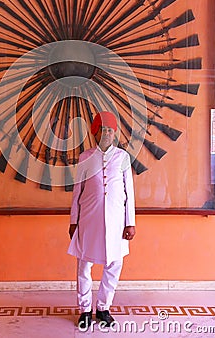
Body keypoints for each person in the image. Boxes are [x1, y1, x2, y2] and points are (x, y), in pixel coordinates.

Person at [67, 111, 136, 330]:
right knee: (84, 264)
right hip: (89, 219)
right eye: (103, 130)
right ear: (95, 133)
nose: (107, 134)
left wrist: (130, 222)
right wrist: (73, 220)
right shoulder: (85, 157)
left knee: (114, 263)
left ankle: (103, 308)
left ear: (115, 133)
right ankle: (85, 310)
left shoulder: (123, 157)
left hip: (117, 220)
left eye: (110, 130)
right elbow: (77, 192)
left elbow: (129, 192)